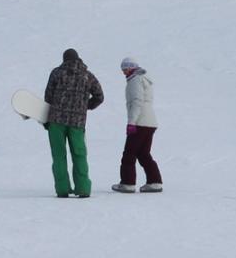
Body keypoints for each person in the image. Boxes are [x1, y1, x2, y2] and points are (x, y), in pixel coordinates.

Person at [43, 48, 104, 198]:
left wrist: (47, 119)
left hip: (56, 121)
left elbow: (48, 96)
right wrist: (85, 106)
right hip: (77, 122)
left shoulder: (57, 73)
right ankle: (83, 188)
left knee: (59, 155)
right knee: (79, 155)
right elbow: (100, 96)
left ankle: (62, 189)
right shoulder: (87, 76)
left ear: (64, 59)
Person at [110, 57, 163, 193]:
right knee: (143, 153)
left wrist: (131, 122)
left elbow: (137, 101)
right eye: (122, 70)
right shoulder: (144, 79)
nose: (123, 72)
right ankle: (154, 181)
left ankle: (127, 183)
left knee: (129, 154)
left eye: (125, 69)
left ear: (131, 67)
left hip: (140, 122)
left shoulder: (135, 80)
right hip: (150, 122)